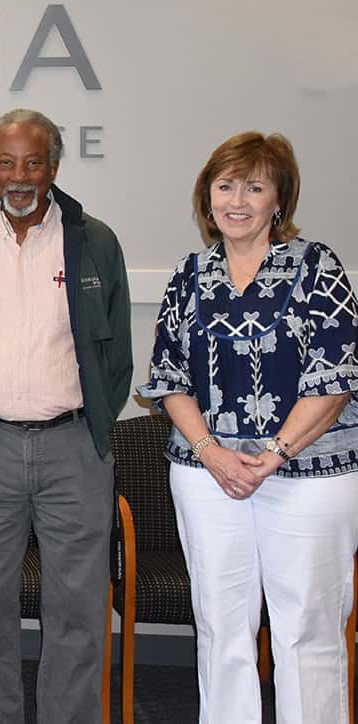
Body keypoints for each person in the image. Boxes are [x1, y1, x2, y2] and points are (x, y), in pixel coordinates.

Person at [138, 132, 358, 723]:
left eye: (255, 187)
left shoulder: (318, 266)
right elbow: (168, 377)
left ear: (278, 199)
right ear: (206, 197)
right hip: (208, 475)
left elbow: (335, 379)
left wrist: (273, 455)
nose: (237, 199)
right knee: (221, 626)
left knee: (306, 630)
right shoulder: (190, 274)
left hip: (309, 473)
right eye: (225, 185)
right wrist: (212, 452)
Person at [0, 107, 132, 723]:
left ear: (54, 167)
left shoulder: (94, 240)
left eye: (33, 162)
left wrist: (90, 422)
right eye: (6, 162)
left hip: (74, 449)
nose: (20, 176)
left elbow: (116, 353)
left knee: (78, 607)